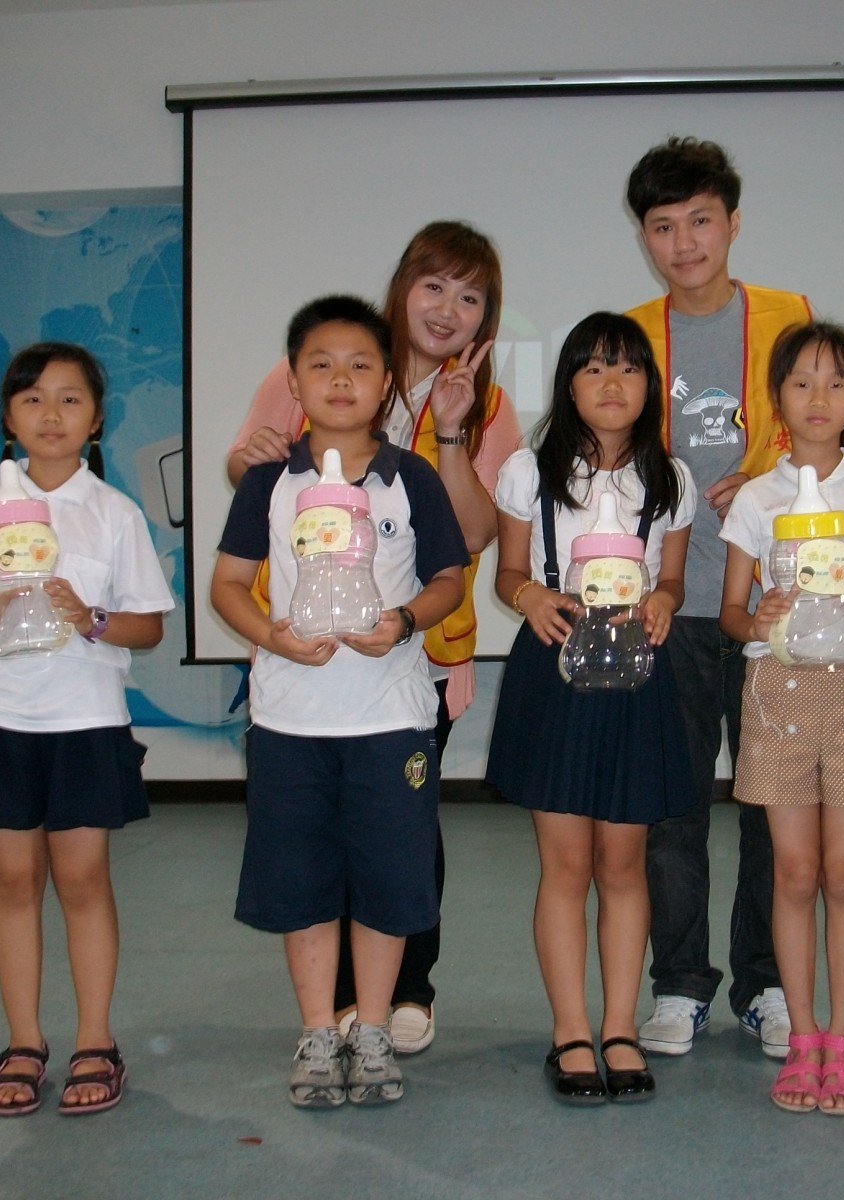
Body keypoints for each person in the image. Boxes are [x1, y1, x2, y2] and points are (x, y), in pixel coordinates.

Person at [226, 221, 522, 1054]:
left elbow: (473, 536)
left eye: (471, 297)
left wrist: (453, 433)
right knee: (320, 834)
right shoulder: (324, 362)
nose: (448, 309)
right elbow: (253, 481)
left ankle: (405, 992)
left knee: (402, 830)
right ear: (403, 287)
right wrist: (250, 458)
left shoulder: (490, 406)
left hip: (417, 655)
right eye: (434, 286)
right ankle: (335, 1011)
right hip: (304, 653)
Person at [623, 136, 844, 1058]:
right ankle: (680, 986)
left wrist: (765, 478)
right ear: (644, 236)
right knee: (672, 808)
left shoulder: (789, 315)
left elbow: (838, 439)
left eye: (701, 221)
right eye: (663, 226)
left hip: (779, 615)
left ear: (733, 222)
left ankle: (765, 985)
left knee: (773, 811)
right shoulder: (632, 333)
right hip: (666, 607)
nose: (684, 244)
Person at [211, 295, 468, 1109]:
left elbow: (449, 578)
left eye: (360, 365)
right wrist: (270, 635)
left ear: (386, 381)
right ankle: (320, 1030)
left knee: (389, 879)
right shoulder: (268, 480)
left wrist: (404, 623)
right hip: (289, 721)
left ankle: (374, 1027)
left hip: (391, 719)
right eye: (320, 364)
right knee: (303, 880)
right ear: (293, 381)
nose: (341, 379)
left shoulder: (410, 477)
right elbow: (227, 584)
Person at [0, 342, 174, 1117]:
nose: (51, 414)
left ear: (96, 420)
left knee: (83, 879)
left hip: (84, 721)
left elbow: (147, 628)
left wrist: (90, 618)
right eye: (33, 399)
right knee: (11, 880)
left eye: (71, 399)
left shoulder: (114, 514)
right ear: (8, 418)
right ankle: (24, 1042)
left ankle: (96, 1040)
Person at [486, 312, 696, 1104]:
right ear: (568, 383)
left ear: (650, 387)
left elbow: (670, 579)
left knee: (623, 864)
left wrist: (665, 601)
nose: (613, 383)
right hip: (555, 673)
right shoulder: (525, 471)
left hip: (636, 675)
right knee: (567, 865)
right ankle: (571, 1030)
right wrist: (530, 596)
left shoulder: (670, 479)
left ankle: (619, 1027)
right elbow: (508, 573)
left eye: (629, 368)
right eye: (595, 367)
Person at [719, 323, 844, 1115]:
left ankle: (843, 1039)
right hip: (778, 694)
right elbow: (732, 615)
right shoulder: (757, 498)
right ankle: (802, 1040)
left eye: (835, 383)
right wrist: (759, 615)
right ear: (778, 398)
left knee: (843, 873)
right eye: (801, 382)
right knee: (794, 872)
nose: (818, 398)